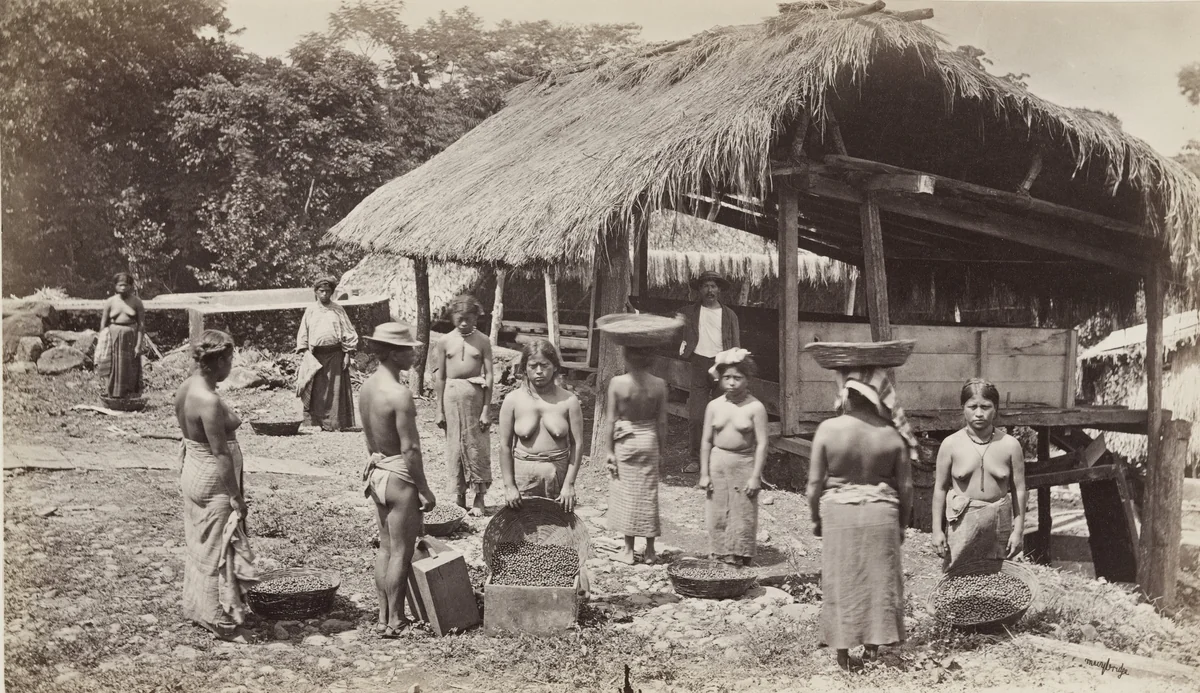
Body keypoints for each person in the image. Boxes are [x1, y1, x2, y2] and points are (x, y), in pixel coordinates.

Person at [807, 365, 916, 671]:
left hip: (839, 512)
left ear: (849, 398)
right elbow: (906, 487)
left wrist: (816, 518)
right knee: (878, 580)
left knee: (841, 580)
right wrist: (903, 525)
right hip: (882, 513)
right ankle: (872, 648)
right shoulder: (892, 436)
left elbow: (814, 484)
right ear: (878, 400)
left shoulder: (828, 430)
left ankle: (842, 654)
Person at [174, 329, 258, 642]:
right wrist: (236, 497)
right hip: (212, 475)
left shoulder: (186, 388)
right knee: (221, 545)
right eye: (230, 359)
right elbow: (221, 453)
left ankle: (198, 607)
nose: (232, 366)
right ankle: (221, 620)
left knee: (201, 540)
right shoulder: (208, 401)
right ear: (220, 359)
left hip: (193, 469)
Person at [358, 322, 437, 638]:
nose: (413, 355)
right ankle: (397, 621)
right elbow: (411, 449)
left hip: (378, 472)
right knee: (401, 552)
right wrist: (425, 489)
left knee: (385, 549)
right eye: (408, 350)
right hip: (399, 476)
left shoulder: (366, 387)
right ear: (392, 354)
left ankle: (383, 618)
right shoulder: (399, 394)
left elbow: (369, 437)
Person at [598, 314, 676, 565]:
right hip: (649, 438)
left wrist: (609, 451)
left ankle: (629, 550)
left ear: (627, 356)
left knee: (626, 493)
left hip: (627, 440)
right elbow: (662, 422)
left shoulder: (618, 384)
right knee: (648, 494)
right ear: (652, 358)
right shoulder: (659, 384)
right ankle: (651, 551)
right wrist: (661, 451)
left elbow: (610, 420)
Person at [932, 378, 1027, 573]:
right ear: (962, 408)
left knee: (998, 581)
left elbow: (1020, 490)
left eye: (986, 407)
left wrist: (1018, 530)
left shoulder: (1010, 445)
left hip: (999, 525)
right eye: (972, 406)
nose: (979, 413)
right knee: (958, 579)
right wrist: (936, 530)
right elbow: (940, 489)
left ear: (996, 408)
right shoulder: (950, 445)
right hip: (962, 525)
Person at [698, 348, 768, 566]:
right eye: (727, 377)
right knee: (717, 511)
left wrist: (756, 476)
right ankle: (717, 554)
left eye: (738, 378)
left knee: (742, 512)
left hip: (744, 463)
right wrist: (704, 473)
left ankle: (740, 556)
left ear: (747, 379)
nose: (731, 383)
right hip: (717, 463)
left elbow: (763, 443)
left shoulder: (755, 407)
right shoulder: (714, 406)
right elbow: (706, 441)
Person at [498, 339, 584, 512]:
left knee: (558, 531)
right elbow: (504, 446)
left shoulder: (568, 401)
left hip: (557, 475)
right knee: (521, 531)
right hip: (523, 475)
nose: (539, 371)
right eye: (533, 366)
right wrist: (510, 486)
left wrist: (569, 484)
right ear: (524, 368)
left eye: (544, 365)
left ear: (555, 367)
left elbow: (578, 444)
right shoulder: (513, 401)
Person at [433, 295, 494, 517]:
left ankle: (479, 498)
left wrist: (487, 409)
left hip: (475, 399)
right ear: (453, 318)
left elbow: (489, 376)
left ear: (476, 317)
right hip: (450, 397)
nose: (464, 323)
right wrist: (438, 409)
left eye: (469, 319)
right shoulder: (444, 342)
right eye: (459, 319)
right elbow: (440, 378)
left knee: (477, 446)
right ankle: (459, 496)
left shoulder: (483, 341)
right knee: (455, 446)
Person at [679, 271, 741, 473]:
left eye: (714, 286)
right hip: (699, 364)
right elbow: (667, 321)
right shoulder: (690, 312)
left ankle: (720, 457)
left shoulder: (730, 315)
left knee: (723, 414)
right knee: (697, 416)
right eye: (705, 286)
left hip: (722, 365)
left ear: (719, 289)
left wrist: (733, 369)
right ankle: (696, 459)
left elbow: (736, 347)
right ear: (699, 290)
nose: (710, 290)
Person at [295, 276, 359, 431]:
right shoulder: (311, 310)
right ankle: (316, 422)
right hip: (316, 356)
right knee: (317, 389)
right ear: (316, 292)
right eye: (321, 291)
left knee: (335, 390)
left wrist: (347, 354)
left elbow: (348, 331)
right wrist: (305, 353)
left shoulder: (338, 310)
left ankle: (335, 422)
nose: (324, 294)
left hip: (336, 354)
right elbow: (304, 332)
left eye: (328, 291)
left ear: (332, 292)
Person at [98, 272, 145, 399]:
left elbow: (141, 325)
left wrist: (138, 345)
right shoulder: (110, 302)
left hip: (131, 338)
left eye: (125, 285)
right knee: (113, 366)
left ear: (130, 286)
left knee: (130, 367)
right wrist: (101, 345)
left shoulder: (137, 302)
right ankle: (112, 394)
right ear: (115, 286)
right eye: (120, 285)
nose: (123, 288)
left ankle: (129, 394)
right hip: (112, 338)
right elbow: (103, 324)